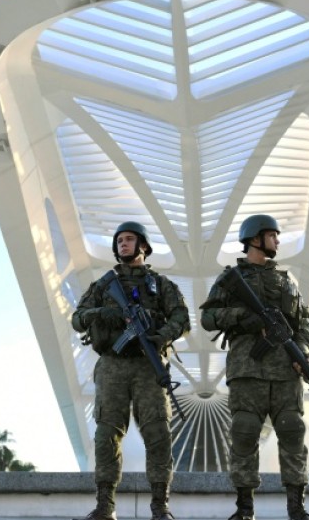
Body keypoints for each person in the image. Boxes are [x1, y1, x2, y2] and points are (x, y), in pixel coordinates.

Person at [71, 222, 191, 520]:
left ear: (143, 246)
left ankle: (160, 506)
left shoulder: (161, 285)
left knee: (158, 432)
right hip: (112, 365)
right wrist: (104, 313)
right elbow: (77, 319)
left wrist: (161, 336)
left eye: (129, 239)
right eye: (119, 240)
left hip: (148, 365)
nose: (123, 244)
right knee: (106, 435)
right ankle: (104, 506)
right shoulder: (103, 285)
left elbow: (182, 318)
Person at [199, 214, 309, 520]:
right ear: (254, 239)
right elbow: (208, 317)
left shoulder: (287, 281)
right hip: (247, 369)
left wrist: (301, 351)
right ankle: (245, 508)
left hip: (286, 372)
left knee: (293, 430)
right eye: (272, 235)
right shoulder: (231, 279)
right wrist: (241, 317)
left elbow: (303, 323)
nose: (277, 241)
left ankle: (297, 507)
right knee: (245, 432)